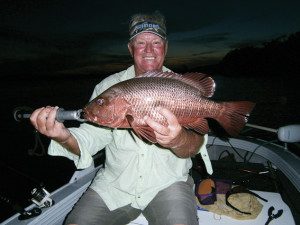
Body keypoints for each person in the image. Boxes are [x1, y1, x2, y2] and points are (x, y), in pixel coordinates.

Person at [30, 11, 208, 225]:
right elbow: (91, 136)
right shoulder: (107, 87)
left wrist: (177, 139)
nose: (149, 50)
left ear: (166, 47)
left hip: (169, 184)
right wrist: (63, 136)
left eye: (156, 42)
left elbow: (196, 144)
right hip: (114, 186)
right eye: (141, 42)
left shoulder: (180, 86)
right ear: (130, 48)